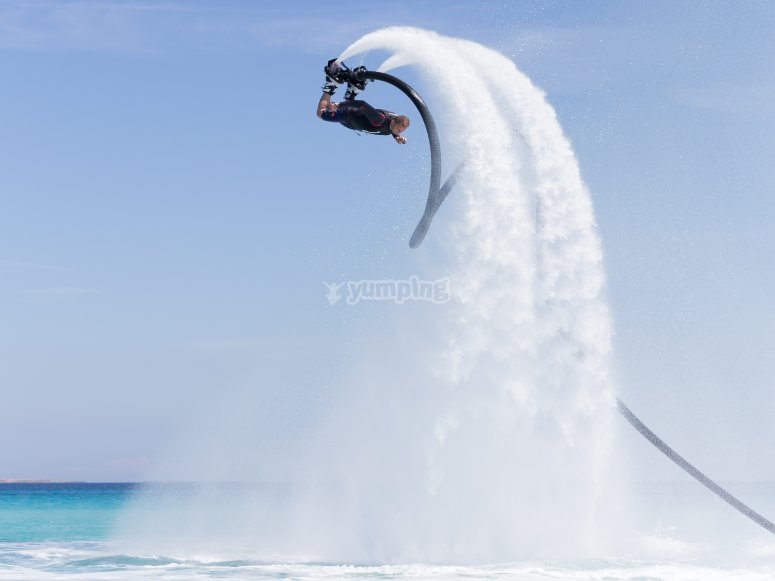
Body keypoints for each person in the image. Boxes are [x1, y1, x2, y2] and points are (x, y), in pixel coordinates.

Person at [316, 59, 410, 145]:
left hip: (352, 122)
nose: (399, 132)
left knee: (351, 107)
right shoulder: (380, 119)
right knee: (320, 113)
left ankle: (354, 88)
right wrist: (338, 105)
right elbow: (362, 104)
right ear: (393, 121)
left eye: (401, 131)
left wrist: (397, 137)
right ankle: (331, 84)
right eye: (398, 130)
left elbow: (392, 128)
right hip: (346, 115)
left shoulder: (394, 125)